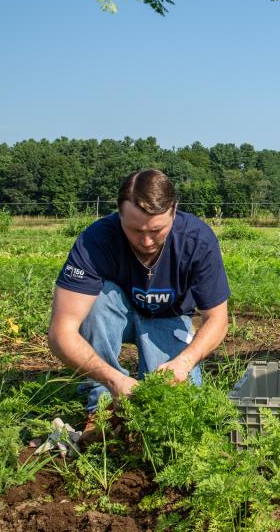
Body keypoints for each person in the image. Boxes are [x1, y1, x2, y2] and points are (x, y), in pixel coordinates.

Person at [49, 169, 230, 438]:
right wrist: (114, 380)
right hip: (113, 315)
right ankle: (102, 407)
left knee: (178, 409)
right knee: (97, 301)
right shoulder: (95, 241)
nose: (146, 241)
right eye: (134, 230)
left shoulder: (197, 240)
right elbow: (60, 333)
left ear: (173, 210)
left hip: (168, 318)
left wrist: (184, 362)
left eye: (157, 230)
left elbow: (217, 319)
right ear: (119, 214)